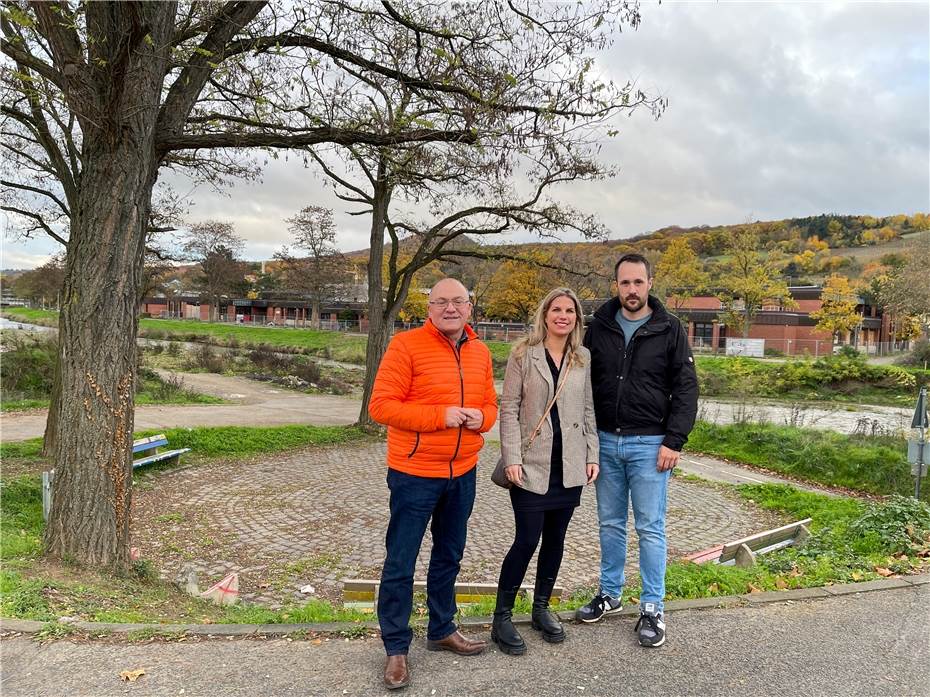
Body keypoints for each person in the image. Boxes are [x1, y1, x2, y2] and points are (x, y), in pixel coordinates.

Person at [369, 277, 498, 690]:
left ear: (469, 307)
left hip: (463, 471)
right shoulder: (406, 346)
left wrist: (485, 419)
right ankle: (395, 648)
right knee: (401, 561)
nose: (450, 308)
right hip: (414, 473)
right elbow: (381, 406)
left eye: (458, 301)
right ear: (429, 308)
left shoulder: (479, 350)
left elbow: (490, 403)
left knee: (449, 555)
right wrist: (440, 416)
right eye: (441, 302)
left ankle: (442, 628)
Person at [576, 253, 698, 649]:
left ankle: (652, 607)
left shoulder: (670, 328)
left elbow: (686, 388)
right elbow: (579, 380)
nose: (632, 290)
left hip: (650, 445)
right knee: (609, 524)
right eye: (625, 283)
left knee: (650, 527)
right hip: (606, 441)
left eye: (638, 282)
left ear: (650, 284)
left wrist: (673, 440)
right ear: (617, 285)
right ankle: (610, 594)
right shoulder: (598, 328)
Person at [493, 288, 599, 656]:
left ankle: (540, 608)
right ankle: (502, 616)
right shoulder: (524, 353)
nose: (563, 316)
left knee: (556, 539)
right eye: (557, 309)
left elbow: (588, 411)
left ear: (577, 319)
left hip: (568, 466)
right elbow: (508, 409)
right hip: (530, 465)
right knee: (527, 540)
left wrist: (592, 454)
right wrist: (511, 458)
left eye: (570, 311)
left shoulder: (582, 356)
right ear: (546, 314)